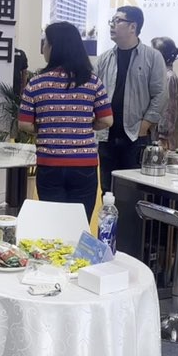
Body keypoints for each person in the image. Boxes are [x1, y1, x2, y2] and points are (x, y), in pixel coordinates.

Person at [18, 21, 113, 220]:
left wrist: (48, 128)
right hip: (84, 165)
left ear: (53, 47)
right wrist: (85, 125)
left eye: (45, 43)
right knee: (79, 222)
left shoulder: (36, 83)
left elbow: (24, 123)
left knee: (53, 223)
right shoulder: (92, 81)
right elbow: (107, 120)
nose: (43, 48)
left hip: (49, 164)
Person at [95, 5, 167, 192]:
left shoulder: (152, 57)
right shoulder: (104, 59)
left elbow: (160, 94)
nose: (112, 25)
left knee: (134, 191)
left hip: (136, 136)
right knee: (108, 189)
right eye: (112, 20)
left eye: (118, 20)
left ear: (133, 27)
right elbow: (94, 93)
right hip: (107, 136)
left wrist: (145, 125)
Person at [151, 37, 178, 150]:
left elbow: (169, 108)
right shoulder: (158, 75)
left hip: (161, 136)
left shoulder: (169, 77)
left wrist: (163, 135)